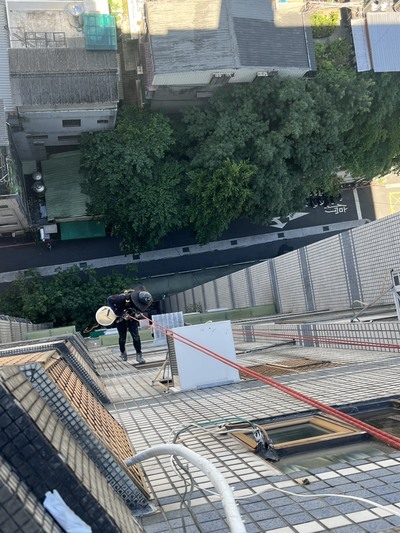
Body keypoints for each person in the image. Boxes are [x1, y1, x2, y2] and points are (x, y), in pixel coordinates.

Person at [107, 288, 152, 363]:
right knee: (122, 337)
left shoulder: (140, 301)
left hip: (132, 317)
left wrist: (137, 313)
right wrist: (120, 313)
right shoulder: (122, 298)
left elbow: (139, 309)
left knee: (136, 336)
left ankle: (139, 355)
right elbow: (109, 299)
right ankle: (123, 352)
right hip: (121, 318)